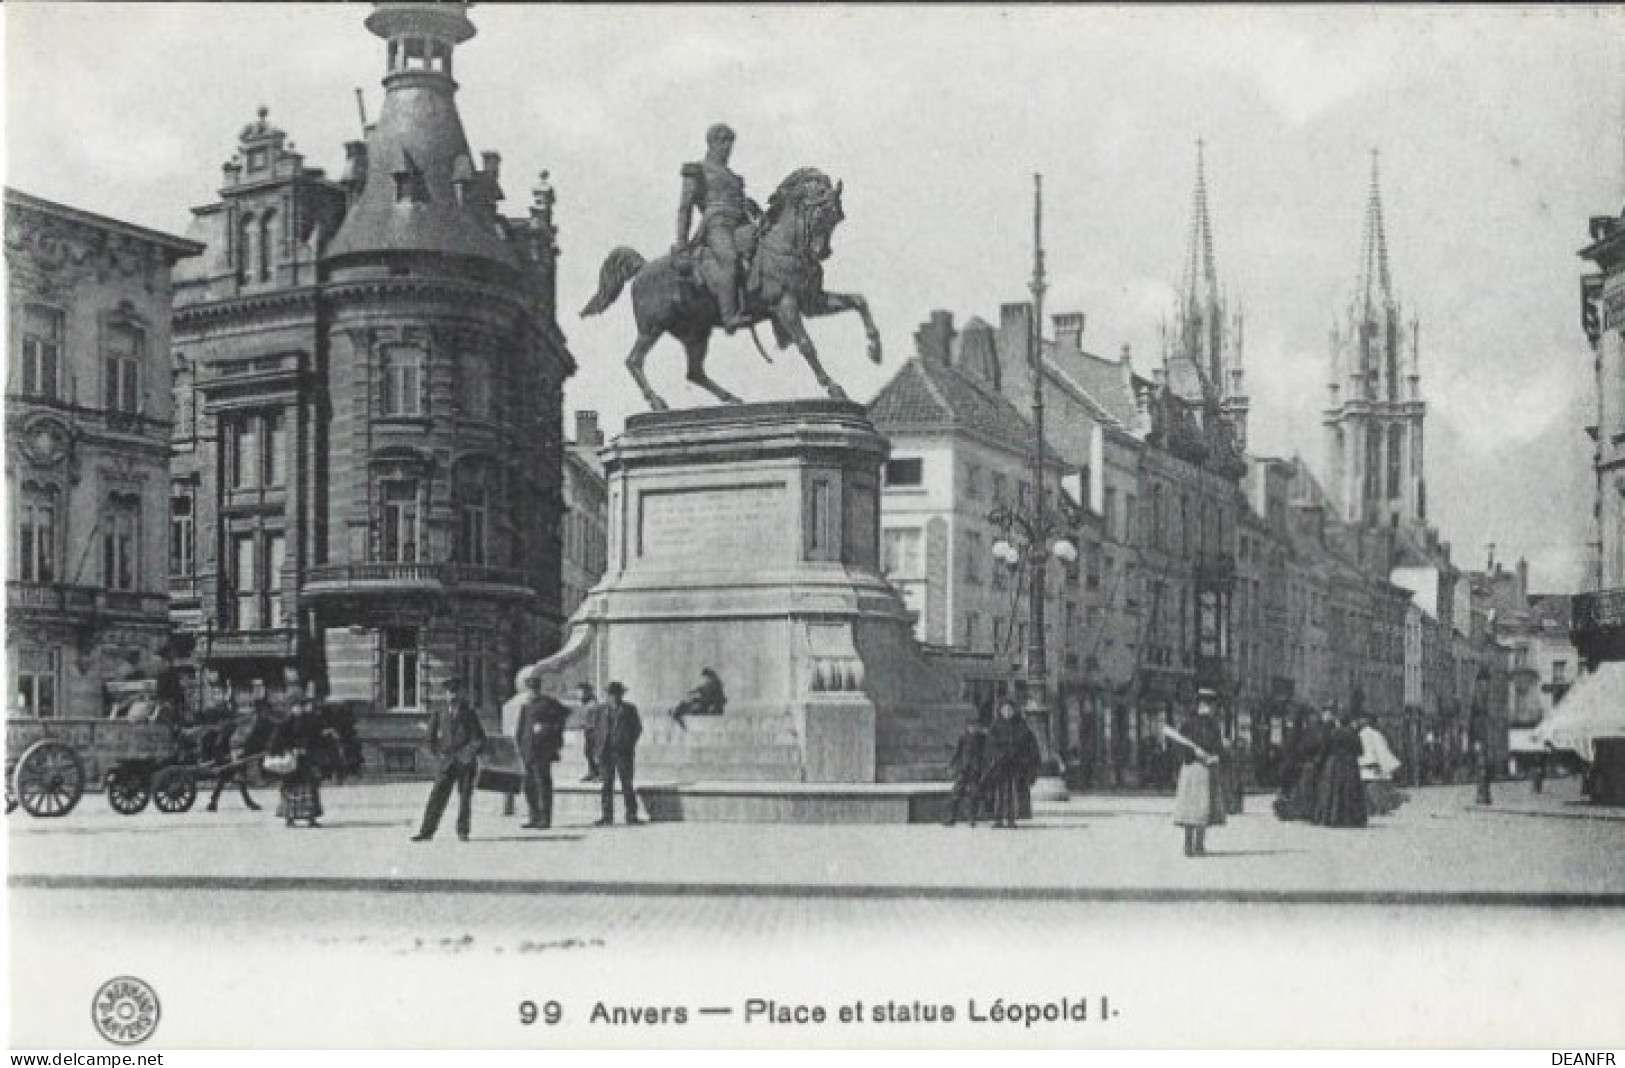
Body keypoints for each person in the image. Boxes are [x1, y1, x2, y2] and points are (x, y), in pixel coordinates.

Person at [675, 123, 759, 333]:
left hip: (740, 224)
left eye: (730, 143)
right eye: (723, 142)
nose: (728, 148)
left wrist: (752, 207)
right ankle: (729, 315)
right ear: (711, 143)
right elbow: (685, 208)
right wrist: (682, 244)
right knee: (729, 259)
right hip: (716, 225)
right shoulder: (698, 169)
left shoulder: (734, 177)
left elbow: (741, 204)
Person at [412, 676, 488, 842]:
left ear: (461, 693)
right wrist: (437, 756)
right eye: (449, 692)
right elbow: (428, 739)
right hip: (446, 763)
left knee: (465, 798)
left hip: (465, 763)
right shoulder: (439, 713)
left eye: (455, 691)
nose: (452, 695)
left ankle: (463, 831)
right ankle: (426, 832)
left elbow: (479, 739)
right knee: (436, 797)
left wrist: (467, 754)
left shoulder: (469, 713)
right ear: (445, 694)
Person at [267, 682, 330, 828]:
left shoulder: (309, 720)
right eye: (298, 705)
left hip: (306, 761)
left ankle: (310, 818)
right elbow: (277, 742)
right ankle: (290, 817)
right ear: (292, 707)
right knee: (290, 788)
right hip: (292, 762)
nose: (300, 708)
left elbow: (314, 737)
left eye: (302, 705)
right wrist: (291, 748)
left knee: (310, 786)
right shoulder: (286, 723)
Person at [1169, 689, 1224, 857]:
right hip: (1202, 769)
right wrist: (1208, 756)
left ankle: (1189, 846)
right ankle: (1197, 846)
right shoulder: (1211, 725)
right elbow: (1216, 747)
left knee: (1190, 808)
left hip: (1190, 768)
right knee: (1201, 807)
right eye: (1209, 704)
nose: (1210, 708)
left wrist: (1192, 755)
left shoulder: (1188, 723)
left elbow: (1179, 748)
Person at [515, 673, 570, 829]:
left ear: (539, 688)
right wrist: (517, 747)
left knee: (542, 784)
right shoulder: (526, 705)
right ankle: (534, 816)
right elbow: (521, 728)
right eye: (530, 688)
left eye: (534, 688)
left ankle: (545, 818)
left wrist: (547, 729)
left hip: (541, 751)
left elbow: (564, 716)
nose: (532, 691)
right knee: (528, 785)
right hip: (527, 751)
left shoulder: (548, 703)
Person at [206, 686, 273, 812]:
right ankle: (245, 802)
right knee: (236, 773)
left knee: (229, 774)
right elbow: (241, 733)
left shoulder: (243, 715)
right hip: (236, 745)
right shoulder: (246, 717)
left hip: (234, 744)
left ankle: (214, 800)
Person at [981, 698, 1040, 830]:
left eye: (1010, 710)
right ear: (1000, 711)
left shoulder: (1021, 726)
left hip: (1015, 765)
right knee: (999, 792)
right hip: (999, 765)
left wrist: (1022, 758)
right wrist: (997, 756)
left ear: (1014, 711)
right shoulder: (995, 726)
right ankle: (998, 818)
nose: (1007, 712)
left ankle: (1011, 817)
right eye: (1004, 710)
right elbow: (990, 746)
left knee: (1012, 792)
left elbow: (1029, 745)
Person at [594, 681, 644, 826]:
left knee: (627, 784)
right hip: (606, 752)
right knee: (606, 785)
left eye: (616, 694)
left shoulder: (629, 709)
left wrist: (628, 742)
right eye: (611, 694)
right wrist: (597, 750)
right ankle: (606, 816)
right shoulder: (601, 710)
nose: (614, 697)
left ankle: (631, 815)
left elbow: (637, 728)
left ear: (621, 695)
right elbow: (596, 729)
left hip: (623, 752)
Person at [1312, 714, 1369, 828]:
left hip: (1334, 764)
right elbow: (1360, 751)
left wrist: (1318, 761)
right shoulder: (1353, 733)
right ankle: (1352, 818)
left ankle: (1331, 817)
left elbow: (1325, 749)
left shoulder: (1333, 733)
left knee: (1332, 790)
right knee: (1351, 790)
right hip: (1350, 764)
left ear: (1339, 722)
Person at [941, 712, 989, 827]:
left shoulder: (982, 738)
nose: (973, 728)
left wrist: (983, 766)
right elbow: (958, 752)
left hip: (976, 769)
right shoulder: (963, 737)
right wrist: (952, 764)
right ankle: (951, 817)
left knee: (974, 795)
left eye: (975, 725)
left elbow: (986, 753)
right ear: (967, 726)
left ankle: (972, 818)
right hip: (964, 769)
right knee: (956, 793)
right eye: (970, 725)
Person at [1357, 716, 1404, 816]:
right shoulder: (1376, 734)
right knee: (1376, 789)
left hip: (1363, 764)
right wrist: (1388, 765)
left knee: (1367, 789)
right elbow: (1382, 751)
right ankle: (1380, 808)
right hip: (1374, 763)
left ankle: (1370, 809)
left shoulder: (1359, 734)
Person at [577, 682, 603, 782]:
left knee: (596, 753)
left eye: (581, 692)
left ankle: (600, 773)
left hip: (595, 732)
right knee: (588, 752)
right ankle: (592, 772)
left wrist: (588, 725)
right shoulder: (585, 703)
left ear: (587, 692)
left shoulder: (593, 704)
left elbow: (596, 720)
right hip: (588, 732)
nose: (579, 694)